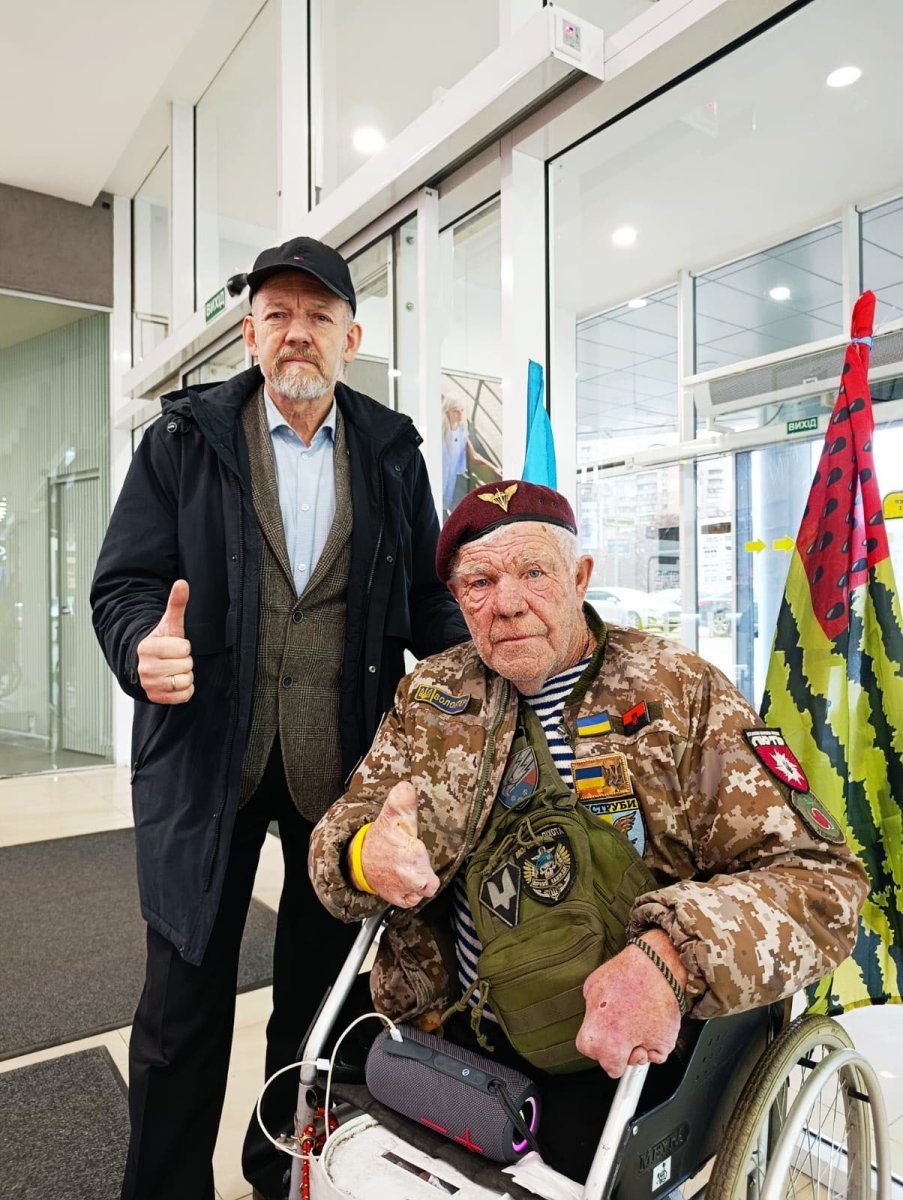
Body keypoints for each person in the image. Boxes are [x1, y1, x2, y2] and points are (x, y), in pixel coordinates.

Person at [309, 480, 868, 1179]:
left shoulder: (679, 692)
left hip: (617, 1052)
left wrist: (672, 956)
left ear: (579, 578)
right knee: (319, 1099)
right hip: (446, 1024)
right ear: (456, 599)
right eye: (479, 582)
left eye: (533, 573)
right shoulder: (431, 695)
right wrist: (365, 854)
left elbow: (822, 884)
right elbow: (341, 833)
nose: (507, 603)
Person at [90, 236, 468, 1200]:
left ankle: (286, 1175)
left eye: (318, 315)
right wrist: (141, 647)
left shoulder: (390, 453)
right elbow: (124, 585)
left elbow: (429, 602)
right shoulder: (182, 443)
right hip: (204, 761)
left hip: (340, 771)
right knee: (182, 1000)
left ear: (351, 338)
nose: (298, 332)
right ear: (251, 335)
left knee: (321, 999)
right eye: (278, 315)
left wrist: (491, 656)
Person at [440, 395, 498, 518]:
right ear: (447, 411)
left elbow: (474, 456)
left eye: (461, 410)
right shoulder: (440, 434)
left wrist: (495, 469)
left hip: (450, 485)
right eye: (456, 410)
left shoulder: (461, 432)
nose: (460, 414)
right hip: (438, 484)